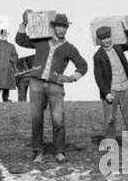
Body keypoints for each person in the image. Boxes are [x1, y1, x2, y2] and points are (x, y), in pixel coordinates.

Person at [16, 11, 87, 162]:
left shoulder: (69, 48)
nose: (61, 30)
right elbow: (20, 40)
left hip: (55, 87)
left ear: (67, 29)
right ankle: (38, 152)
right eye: (59, 26)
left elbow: (83, 66)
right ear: (53, 27)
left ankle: (60, 152)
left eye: (64, 27)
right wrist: (24, 23)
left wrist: (70, 78)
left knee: (58, 120)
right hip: (36, 84)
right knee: (37, 119)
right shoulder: (41, 40)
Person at [93, 24, 128, 141]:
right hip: (111, 91)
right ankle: (110, 143)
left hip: (125, 88)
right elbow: (98, 77)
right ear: (100, 40)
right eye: (103, 39)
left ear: (111, 37)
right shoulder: (98, 56)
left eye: (108, 37)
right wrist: (106, 93)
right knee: (110, 119)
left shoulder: (118, 48)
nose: (107, 41)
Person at [0, 28, 19, 103]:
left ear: (7, 36)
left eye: (4, 35)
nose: (3, 36)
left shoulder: (11, 46)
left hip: (7, 68)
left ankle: (6, 98)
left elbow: (15, 55)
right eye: (2, 35)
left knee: (6, 85)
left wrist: (11, 60)